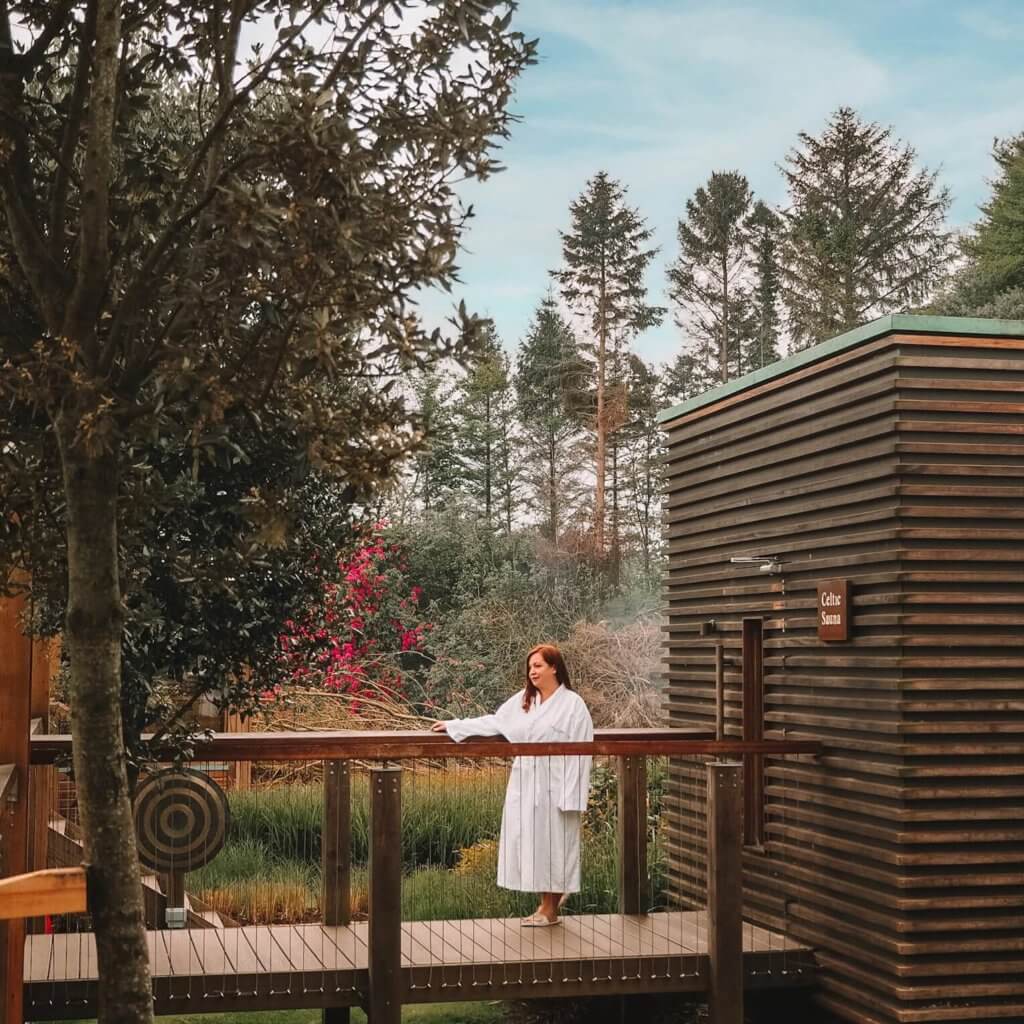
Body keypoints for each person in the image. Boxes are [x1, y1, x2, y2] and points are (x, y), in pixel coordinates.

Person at [431, 644, 593, 926]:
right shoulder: (524, 701)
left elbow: (583, 748)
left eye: (539, 665)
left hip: (557, 784)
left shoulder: (573, 705)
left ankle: (549, 909)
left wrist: (572, 793)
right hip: (527, 780)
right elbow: (495, 722)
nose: (533, 671)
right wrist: (456, 726)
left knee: (556, 843)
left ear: (554, 667)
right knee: (534, 842)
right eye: (530, 666)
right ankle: (546, 905)